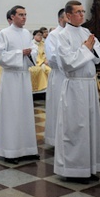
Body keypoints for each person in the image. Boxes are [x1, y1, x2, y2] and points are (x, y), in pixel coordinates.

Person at [53, 1, 100, 181]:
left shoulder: (86, 32)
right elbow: (68, 62)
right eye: (78, 12)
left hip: (89, 85)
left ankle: (89, 167)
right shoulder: (62, 35)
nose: (82, 15)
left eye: (83, 11)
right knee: (75, 127)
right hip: (74, 86)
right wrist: (86, 49)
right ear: (68, 15)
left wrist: (89, 49)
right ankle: (74, 169)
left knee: (90, 126)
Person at [0, 5, 38, 164]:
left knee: (25, 112)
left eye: (25, 14)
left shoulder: (26, 33)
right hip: (11, 77)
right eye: (20, 15)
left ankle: (27, 148)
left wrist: (31, 52)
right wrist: (20, 53)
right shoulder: (4, 33)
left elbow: (34, 49)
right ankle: (10, 151)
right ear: (12, 17)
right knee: (11, 113)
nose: (24, 17)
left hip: (24, 77)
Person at [43, 9, 67, 148]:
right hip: (59, 75)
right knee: (59, 106)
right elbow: (52, 56)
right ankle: (57, 138)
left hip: (73, 75)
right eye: (66, 17)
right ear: (60, 19)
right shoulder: (54, 35)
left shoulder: (79, 32)